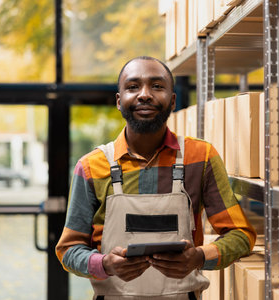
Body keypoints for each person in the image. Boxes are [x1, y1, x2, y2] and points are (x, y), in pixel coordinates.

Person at [56, 56, 256, 299]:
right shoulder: (90, 166)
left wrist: (200, 257)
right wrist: (105, 263)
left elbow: (241, 235)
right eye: (133, 87)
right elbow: (68, 250)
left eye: (157, 86)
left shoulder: (200, 157)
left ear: (172, 101)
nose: (145, 95)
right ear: (119, 102)